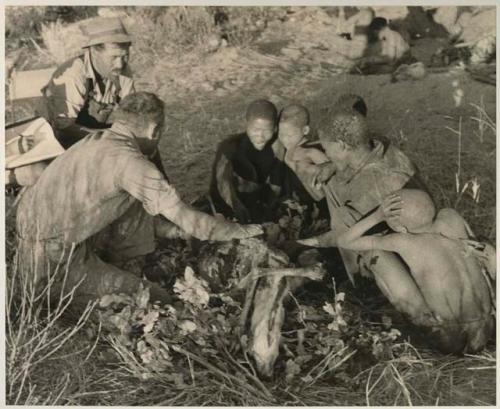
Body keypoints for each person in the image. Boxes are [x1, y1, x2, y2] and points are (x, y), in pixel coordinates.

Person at [16, 92, 262, 310]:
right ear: (154, 130)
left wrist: (178, 231)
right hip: (52, 265)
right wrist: (240, 231)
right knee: (155, 298)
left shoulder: (97, 141)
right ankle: (72, 289)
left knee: (134, 201)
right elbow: (193, 221)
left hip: (39, 242)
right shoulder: (131, 163)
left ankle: (123, 265)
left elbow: (136, 214)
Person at [297, 94, 430, 306]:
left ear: (342, 145)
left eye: (327, 148)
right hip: (386, 232)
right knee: (333, 186)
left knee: (346, 217)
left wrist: (307, 243)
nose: (326, 154)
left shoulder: (378, 184)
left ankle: (363, 287)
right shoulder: (376, 147)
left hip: (402, 261)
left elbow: (346, 236)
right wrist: (333, 164)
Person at [337, 189, 495, 353]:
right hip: (487, 328)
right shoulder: (452, 219)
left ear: (402, 228)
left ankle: (367, 290)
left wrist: (377, 216)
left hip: (453, 340)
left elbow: (345, 241)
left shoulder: (403, 241)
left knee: (375, 252)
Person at [209, 99, 285, 223]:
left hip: (256, 200)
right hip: (227, 202)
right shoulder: (230, 146)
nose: (260, 136)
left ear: (275, 128)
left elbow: (277, 182)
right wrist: (236, 207)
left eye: (266, 131)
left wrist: (270, 207)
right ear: (246, 125)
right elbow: (222, 183)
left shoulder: (276, 146)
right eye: (255, 130)